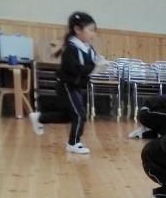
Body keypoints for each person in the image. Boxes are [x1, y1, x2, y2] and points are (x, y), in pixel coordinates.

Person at [29, 11, 110, 153]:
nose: (93, 34)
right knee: (79, 115)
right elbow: (75, 69)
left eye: (94, 30)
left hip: (76, 86)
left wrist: (100, 64)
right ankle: (73, 143)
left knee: (68, 116)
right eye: (90, 30)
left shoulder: (88, 48)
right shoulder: (70, 48)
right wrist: (94, 67)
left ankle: (40, 118)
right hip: (66, 86)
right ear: (77, 29)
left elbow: (90, 65)